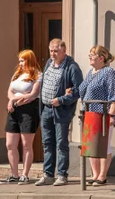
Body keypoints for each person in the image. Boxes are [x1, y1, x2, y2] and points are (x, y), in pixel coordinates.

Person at [35, 39, 83, 187]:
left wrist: (61, 99)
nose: (53, 54)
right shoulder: (49, 63)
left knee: (61, 143)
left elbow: (78, 90)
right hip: (46, 109)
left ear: (64, 51)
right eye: (51, 51)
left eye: (56, 51)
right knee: (47, 143)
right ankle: (48, 174)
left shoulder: (72, 68)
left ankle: (62, 175)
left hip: (61, 111)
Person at [77, 46, 115, 185]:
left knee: (104, 145)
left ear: (101, 58)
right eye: (89, 54)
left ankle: (102, 176)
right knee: (91, 146)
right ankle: (95, 175)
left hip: (103, 113)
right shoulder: (91, 73)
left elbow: (114, 96)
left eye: (92, 55)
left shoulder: (109, 72)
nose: (89, 57)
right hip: (89, 113)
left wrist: (112, 115)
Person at [1, 51, 43, 185]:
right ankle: (15, 174)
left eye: (23, 60)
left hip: (29, 110)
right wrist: (11, 100)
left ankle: (25, 174)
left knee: (26, 144)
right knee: (10, 144)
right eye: (19, 60)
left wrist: (16, 99)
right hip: (14, 110)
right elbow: (9, 90)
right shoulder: (17, 74)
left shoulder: (37, 75)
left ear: (30, 60)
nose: (20, 63)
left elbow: (33, 94)